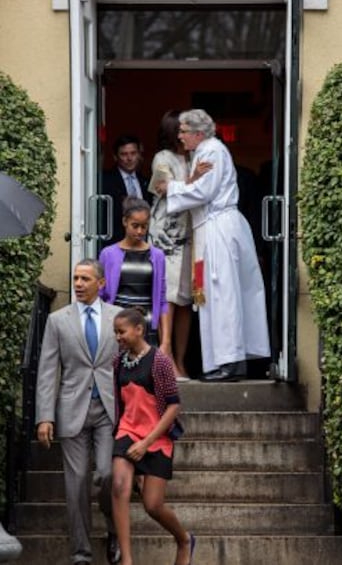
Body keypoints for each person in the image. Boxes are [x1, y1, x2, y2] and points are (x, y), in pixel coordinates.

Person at [155, 109, 270, 382]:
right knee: (216, 293)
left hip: (217, 228)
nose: (179, 136)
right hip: (214, 226)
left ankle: (228, 361)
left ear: (197, 133)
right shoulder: (206, 151)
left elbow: (202, 192)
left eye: (183, 131)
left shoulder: (211, 151)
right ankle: (224, 360)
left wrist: (170, 189)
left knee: (221, 293)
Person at [35, 259, 122, 565]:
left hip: (109, 410)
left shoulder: (116, 318)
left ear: (101, 284)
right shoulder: (58, 320)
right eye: (75, 278)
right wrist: (44, 416)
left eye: (86, 279)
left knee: (107, 474)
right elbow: (47, 371)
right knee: (77, 482)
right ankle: (81, 553)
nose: (79, 284)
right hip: (72, 410)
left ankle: (114, 529)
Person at [112, 306, 195, 565]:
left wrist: (147, 442)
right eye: (115, 332)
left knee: (152, 506)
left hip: (156, 437)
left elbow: (173, 405)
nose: (118, 337)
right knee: (118, 486)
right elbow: (120, 403)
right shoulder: (118, 362)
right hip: (127, 430)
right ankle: (127, 560)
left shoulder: (160, 361)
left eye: (122, 332)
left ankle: (183, 539)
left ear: (139, 330)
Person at [148, 110, 193, 381]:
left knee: (187, 298)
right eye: (184, 127)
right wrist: (195, 180)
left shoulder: (193, 157)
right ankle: (166, 357)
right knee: (169, 295)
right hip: (168, 235)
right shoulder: (162, 158)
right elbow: (162, 187)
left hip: (190, 234)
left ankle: (182, 361)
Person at [99, 196, 170, 357]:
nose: (139, 231)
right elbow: (101, 295)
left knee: (146, 378)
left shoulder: (157, 256)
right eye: (135, 226)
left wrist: (166, 342)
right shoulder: (108, 254)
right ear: (125, 222)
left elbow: (162, 300)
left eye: (144, 227)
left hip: (145, 329)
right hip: (117, 329)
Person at [102, 134, 151, 245]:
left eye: (133, 153)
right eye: (124, 154)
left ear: (139, 155)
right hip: (115, 243)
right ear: (115, 156)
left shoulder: (145, 182)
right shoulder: (105, 180)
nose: (129, 158)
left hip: (142, 243)